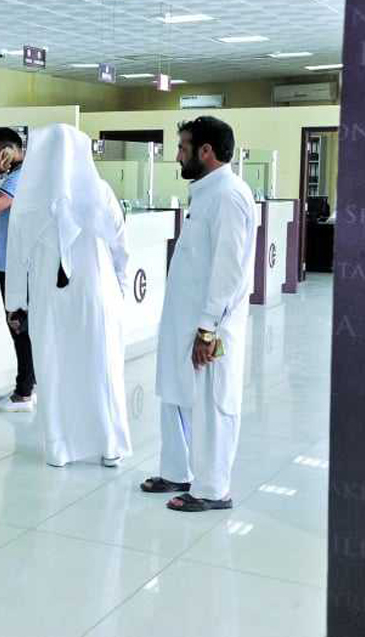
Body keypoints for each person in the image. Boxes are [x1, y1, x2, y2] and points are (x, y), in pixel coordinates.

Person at [142, 116, 256, 512]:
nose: (177, 156)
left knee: (212, 405)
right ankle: (177, 471)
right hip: (185, 323)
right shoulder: (206, 193)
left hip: (210, 328)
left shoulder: (228, 195)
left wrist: (208, 329)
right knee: (175, 394)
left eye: (182, 148)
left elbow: (229, 271)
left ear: (206, 151)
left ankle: (212, 489)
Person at [4, 124, 132, 468]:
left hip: (49, 298)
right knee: (100, 367)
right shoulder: (99, 191)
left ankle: (59, 448)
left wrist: (15, 303)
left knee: (54, 367)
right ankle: (109, 445)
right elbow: (121, 245)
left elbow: (16, 257)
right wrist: (120, 287)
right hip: (97, 295)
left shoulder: (29, 198)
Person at [0, 128, 37, 412]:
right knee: (20, 326)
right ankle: (25, 386)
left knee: (19, 326)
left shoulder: (19, 176)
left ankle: (24, 393)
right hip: (12, 262)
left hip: (15, 266)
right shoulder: (16, 175)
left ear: (10, 148)